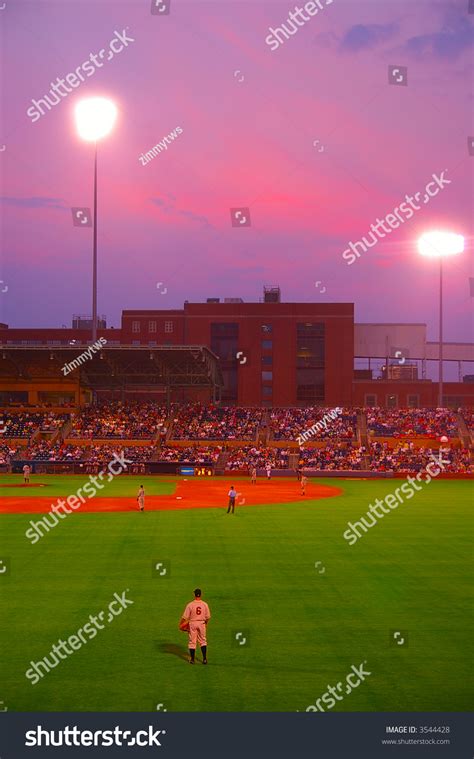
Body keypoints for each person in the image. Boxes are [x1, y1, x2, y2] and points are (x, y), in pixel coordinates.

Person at [180, 588, 211, 664]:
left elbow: (184, 617)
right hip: (202, 623)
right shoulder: (205, 604)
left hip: (192, 624)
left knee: (192, 642)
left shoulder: (190, 604)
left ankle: (192, 660)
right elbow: (208, 617)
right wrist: (205, 624)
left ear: (194, 594)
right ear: (201, 594)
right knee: (203, 641)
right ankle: (204, 659)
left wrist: (181, 624)